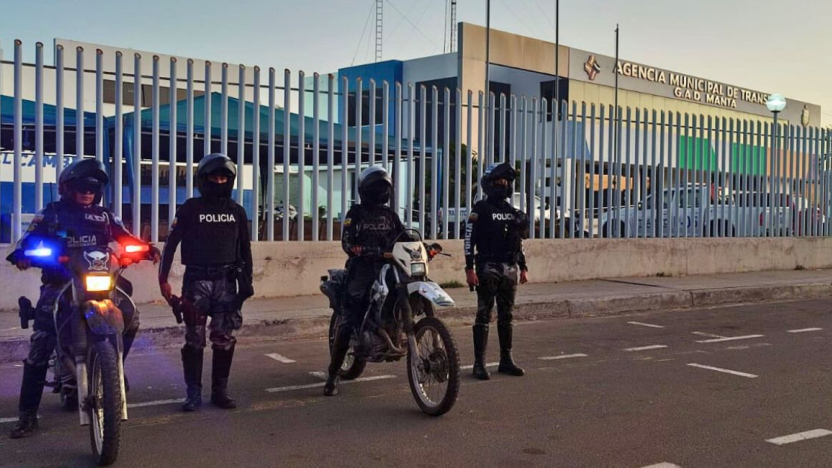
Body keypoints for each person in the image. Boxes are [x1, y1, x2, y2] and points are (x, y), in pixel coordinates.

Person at [6, 158, 158, 439]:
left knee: (131, 316)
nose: (88, 192)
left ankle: (113, 366)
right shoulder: (52, 213)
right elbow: (29, 239)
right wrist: (23, 254)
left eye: (93, 187)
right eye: (82, 187)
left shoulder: (105, 216)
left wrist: (144, 248)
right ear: (67, 188)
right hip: (60, 282)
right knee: (41, 342)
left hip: (99, 282)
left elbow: (125, 237)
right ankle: (27, 415)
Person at [158, 153, 253, 412]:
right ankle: (193, 393)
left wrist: (247, 283)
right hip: (196, 282)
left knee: (224, 338)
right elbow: (170, 245)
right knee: (194, 339)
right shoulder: (190, 209)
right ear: (203, 179)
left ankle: (220, 392)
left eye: (224, 178)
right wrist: (163, 281)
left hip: (226, 283)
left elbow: (245, 250)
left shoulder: (236, 211)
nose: (219, 182)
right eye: (214, 177)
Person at [324, 166, 404, 396]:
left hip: (389, 267)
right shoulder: (355, 213)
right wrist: (358, 249)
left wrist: (426, 247)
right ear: (365, 189)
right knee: (350, 318)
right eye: (376, 187)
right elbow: (347, 242)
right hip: (362, 269)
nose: (380, 191)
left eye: (383, 187)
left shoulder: (390, 215)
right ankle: (333, 374)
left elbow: (405, 237)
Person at [464, 162, 529, 380]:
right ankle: (479, 364)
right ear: (489, 184)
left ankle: (506, 360)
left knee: (506, 315)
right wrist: (469, 269)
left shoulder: (512, 211)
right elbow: (469, 239)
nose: (503, 185)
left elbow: (518, 240)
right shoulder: (480, 209)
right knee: (483, 314)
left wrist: (523, 266)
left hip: (509, 267)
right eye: (499, 182)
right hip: (487, 266)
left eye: (506, 182)